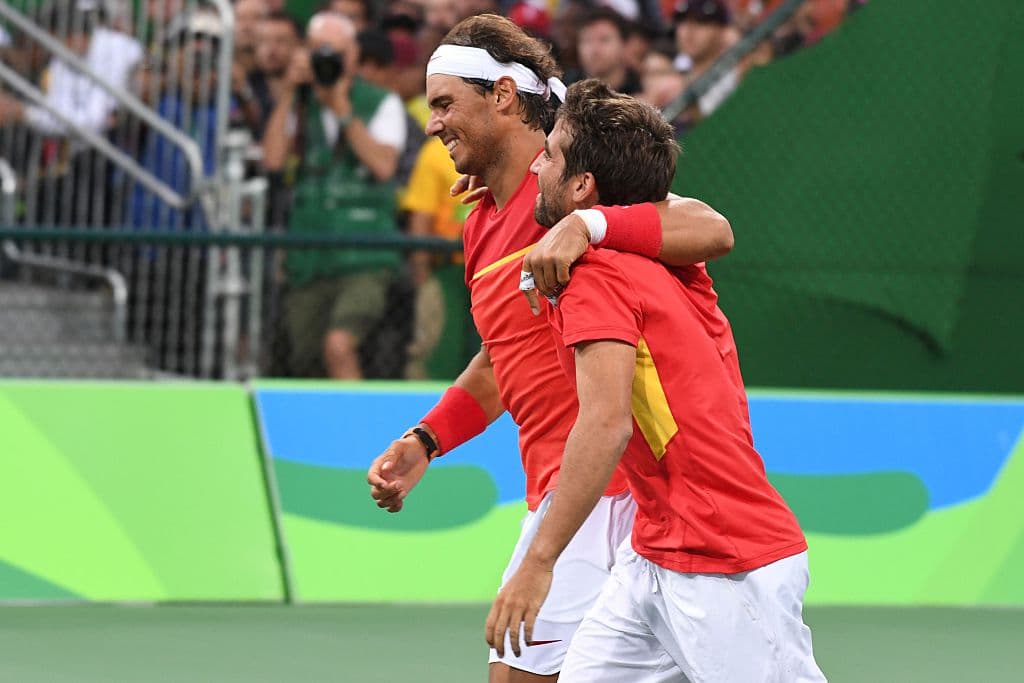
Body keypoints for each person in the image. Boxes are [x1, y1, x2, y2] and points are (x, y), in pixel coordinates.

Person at [366, 14, 734, 682]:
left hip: (614, 492)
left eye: (445, 103)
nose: (432, 122)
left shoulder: (570, 184)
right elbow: (506, 356)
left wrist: (587, 224)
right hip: (565, 495)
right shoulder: (481, 222)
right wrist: (425, 440)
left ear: (502, 97)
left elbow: (709, 226)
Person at [486, 79, 825, 682]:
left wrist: (540, 561)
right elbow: (697, 222)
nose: (539, 162)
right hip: (655, 553)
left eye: (554, 155)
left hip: (725, 558)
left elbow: (607, 422)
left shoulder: (596, 275)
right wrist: (584, 221)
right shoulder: (663, 253)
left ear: (584, 187)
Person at [261, 12, 407, 379]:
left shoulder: (381, 102)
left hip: (365, 255)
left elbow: (383, 166)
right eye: (318, 51)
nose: (328, 59)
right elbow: (273, 160)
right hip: (309, 255)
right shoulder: (300, 100)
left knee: (338, 345)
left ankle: (359, 435)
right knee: (304, 359)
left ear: (354, 55)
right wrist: (291, 92)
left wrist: (341, 109)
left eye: (336, 52)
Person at [564, 7, 642, 95]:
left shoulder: (643, 88)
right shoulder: (563, 90)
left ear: (624, 45)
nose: (594, 49)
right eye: (587, 40)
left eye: (604, 40)